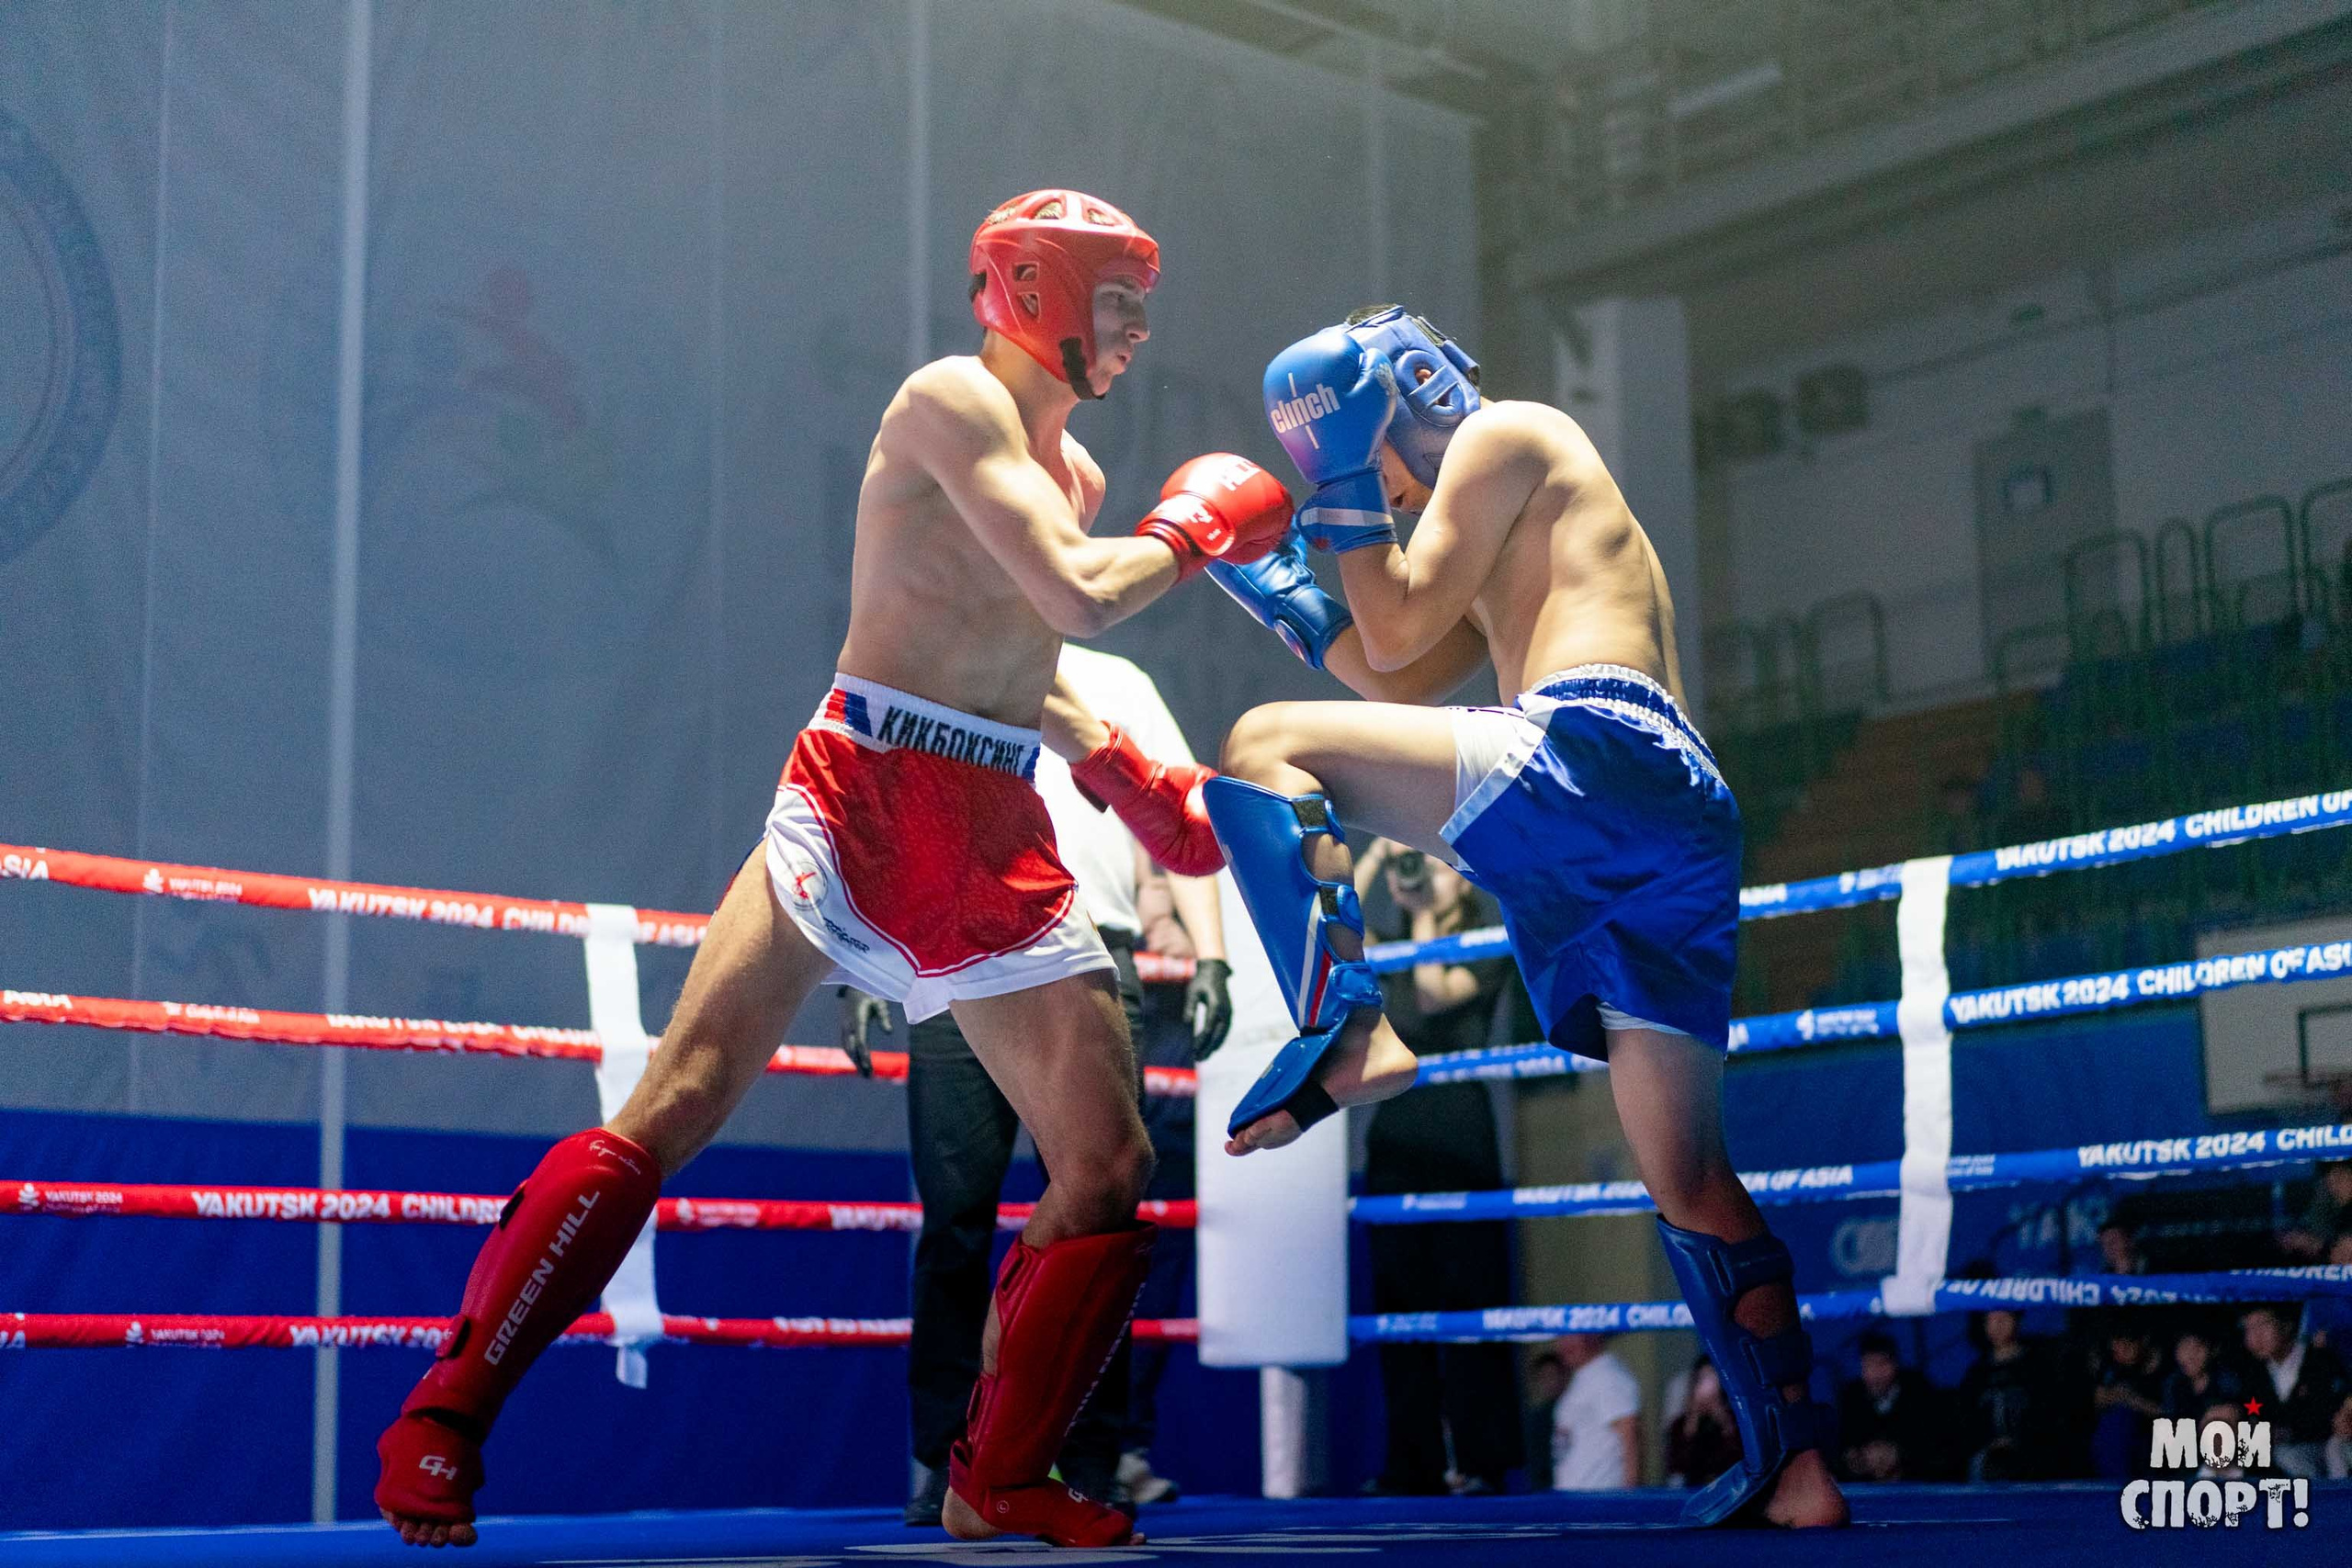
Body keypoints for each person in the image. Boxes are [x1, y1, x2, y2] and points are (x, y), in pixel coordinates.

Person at [372, 189, 1295, 1551]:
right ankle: (441, 1419)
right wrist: (1194, 533)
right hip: (864, 782)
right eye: (1118, 301)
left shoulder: (1083, 480)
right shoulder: (948, 403)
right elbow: (1080, 597)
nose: (1140, 330)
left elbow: (1024, 663)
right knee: (676, 1099)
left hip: (989, 813)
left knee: (1104, 1158)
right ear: (1038, 289)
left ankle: (999, 1474)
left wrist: (1128, 774)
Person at [1200, 306, 1847, 1527]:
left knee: (1260, 744)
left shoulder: (1505, 435)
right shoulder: (1501, 511)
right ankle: (1800, 1468)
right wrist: (1281, 593)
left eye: (1371, 451)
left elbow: (1390, 621)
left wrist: (1334, 482)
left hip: (1594, 751)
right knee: (1688, 1170)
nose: (1380, 485)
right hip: (1657, 818)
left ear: (1398, 395)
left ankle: (1347, 1025)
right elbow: (1396, 669)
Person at [885, 643, 1231, 1526]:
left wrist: (1214, 955)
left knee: (1098, 1215)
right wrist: (864, 966)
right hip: (949, 945)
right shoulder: (937, 653)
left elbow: (1176, 810)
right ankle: (945, 1461)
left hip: (1086, 943)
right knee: (955, 1217)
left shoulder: (1120, 679)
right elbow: (879, 808)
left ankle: (1085, 1456)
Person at [1354, 840, 1521, 1495]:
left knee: (1468, 1298)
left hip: (1459, 1132)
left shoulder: (1488, 942)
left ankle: (1482, 1459)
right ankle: (1412, 1462)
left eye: (1438, 861)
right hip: (1395, 1132)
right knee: (1400, 1306)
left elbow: (1431, 993)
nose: (1424, 870)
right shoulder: (1391, 946)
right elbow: (1331, 922)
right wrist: (1376, 857)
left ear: (1468, 883)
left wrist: (1424, 911)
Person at [2242, 1303, 2352, 1479]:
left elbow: (2331, 1413)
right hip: (2286, 1457)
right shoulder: (2253, 1374)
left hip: (2328, 1445)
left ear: (2286, 1326)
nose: (2256, 1337)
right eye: (2248, 1329)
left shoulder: (2320, 1359)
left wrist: (2286, 1432)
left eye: (2263, 1325)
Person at [1955, 1308, 2064, 1481]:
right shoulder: (1977, 1374)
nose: (1998, 1325)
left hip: (2031, 1456)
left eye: (2004, 1318)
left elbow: (2049, 1414)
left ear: (2016, 1320)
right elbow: (1966, 1418)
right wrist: (1990, 1444)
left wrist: (2019, 1441)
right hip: (1986, 1459)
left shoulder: (2038, 1368)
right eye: (1991, 1319)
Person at [1835, 1332, 1946, 1482]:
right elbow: (1845, 1441)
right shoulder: (1852, 1395)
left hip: (1913, 1480)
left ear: (1895, 1364)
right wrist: (1858, 1457)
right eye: (1868, 1365)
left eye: (1881, 1364)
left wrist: (1898, 1454)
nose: (1875, 1374)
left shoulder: (1919, 1390)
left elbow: (1932, 1442)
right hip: (1866, 1484)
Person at [1549, 1333, 1641, 1492]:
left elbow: (1630, 1435)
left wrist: (1629, 1498)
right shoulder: (1587, 1375)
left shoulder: (1608, 1376)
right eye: (1561, 1337)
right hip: (1578, 1499)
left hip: (1600, 1499)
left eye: (1572, 1337)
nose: (1564, 1345)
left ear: (1594, 1336)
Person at [2086, 1320, 2166, 1478]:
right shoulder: (2109, 1365)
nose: (2119, 1349)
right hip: (2118, 1449)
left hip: (2156, 1446)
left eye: (2126, 1343)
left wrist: (2132, 1400)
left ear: (2143, 1341)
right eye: (2115, 1343)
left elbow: (2171, 1412)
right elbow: (2097, 1401)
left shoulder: (2168, 1369)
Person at [1664, 1357, 1742, 1491]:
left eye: (1711, 1378)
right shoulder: (1680, 1424)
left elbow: (1739, 1457)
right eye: (1701, 1379)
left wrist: (1721, 1416)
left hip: (1729, 1490)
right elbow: (1676, 1467)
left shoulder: (1737, 1420)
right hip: (1692, 1491)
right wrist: (1692, 1419)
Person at [2160, 1326, 2243, 1420]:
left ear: (2211, 1351)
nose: (2191, 1356)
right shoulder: (2172, 1383)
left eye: (2198, 1347)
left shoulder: (2226, 1380)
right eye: (2184, 1348)